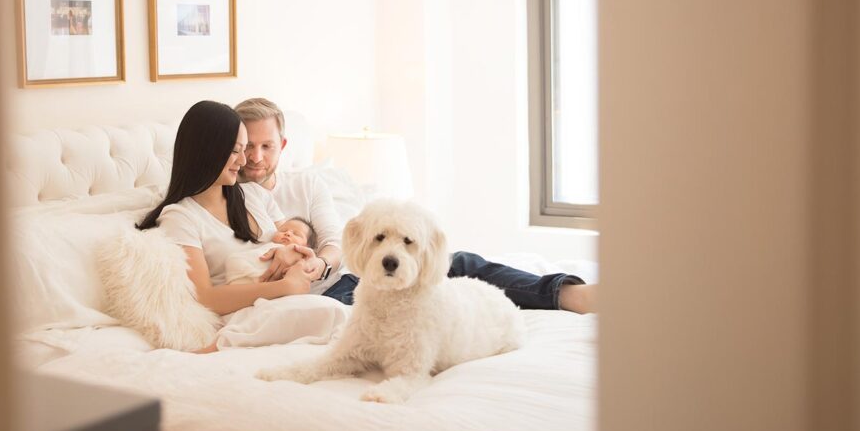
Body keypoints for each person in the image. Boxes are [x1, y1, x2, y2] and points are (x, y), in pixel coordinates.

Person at [234, 97, 599, 314]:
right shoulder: (228, 197)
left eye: (266, 146)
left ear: (282, 145)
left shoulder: (308, 182)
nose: (255, 156)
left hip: (346, 272)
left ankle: (566, 294)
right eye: (248, 145)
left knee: (459, 261)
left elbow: (332, 239)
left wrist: (320, 261)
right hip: (328, 298)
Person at [137, 101, 321, 317]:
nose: (244, 160)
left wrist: (300, 258)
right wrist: (283, 287)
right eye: (236, 151)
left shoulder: (254, 194)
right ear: (205, 151)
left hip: (288, 302)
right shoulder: (180, 217)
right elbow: (205, 297)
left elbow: (295, 244)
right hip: (243, 314)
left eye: (244, 150)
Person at [225, 217, 316, 285]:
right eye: (283, 230)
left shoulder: (303, 260)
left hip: (262, 280)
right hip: (246, 270)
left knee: (234, 261)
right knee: (233, 260)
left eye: (296, 234)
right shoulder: (267, 246)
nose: (287, 233)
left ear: (307, 247)